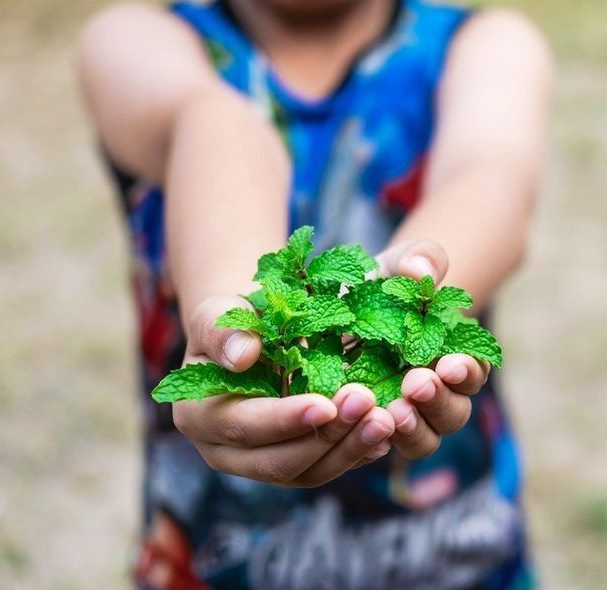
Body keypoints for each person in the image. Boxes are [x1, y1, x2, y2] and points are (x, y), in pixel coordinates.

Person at [77, 0, 551, 587]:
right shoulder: (137, 39)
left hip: (454, 554)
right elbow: (217, 129)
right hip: (218, 561)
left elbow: (488, 181)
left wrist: (402, 297)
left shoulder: (484, 44)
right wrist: (236, 321)